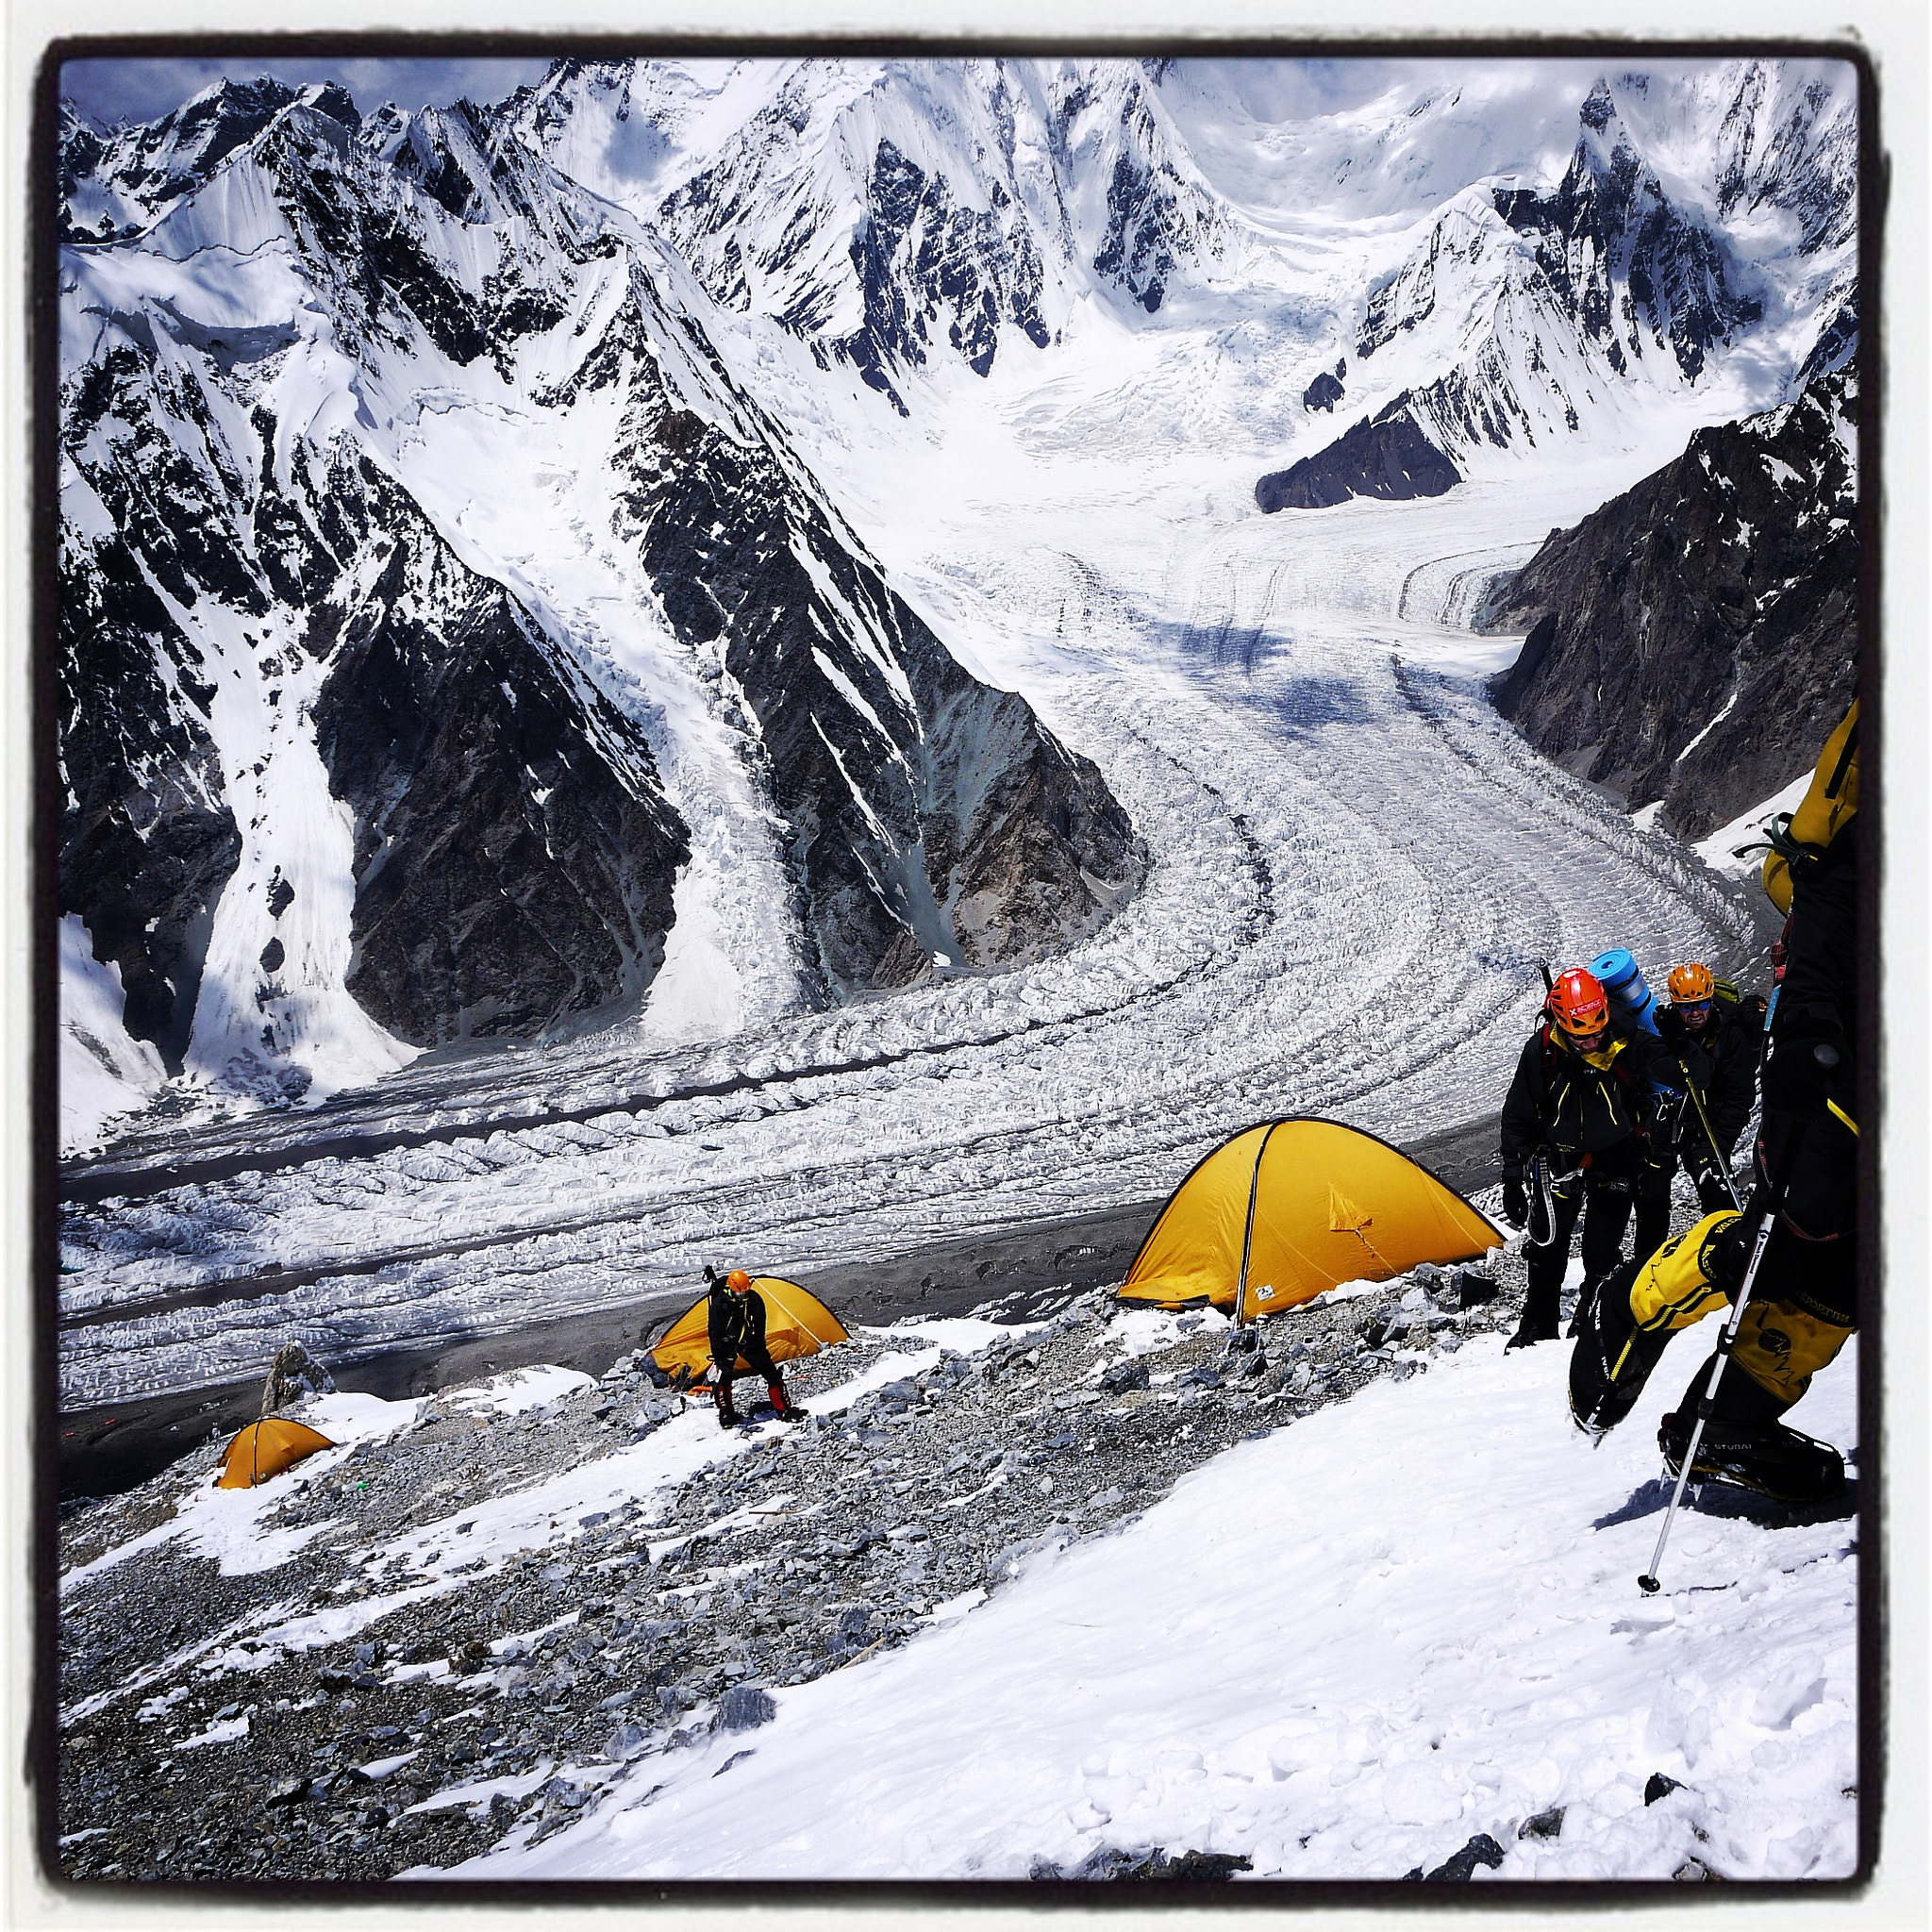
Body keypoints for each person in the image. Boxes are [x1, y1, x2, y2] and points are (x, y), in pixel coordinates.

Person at [1655, 705, 1857, 1500]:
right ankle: (1723, 1420)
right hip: (1838, 1077)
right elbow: (1832, 907)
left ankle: (1725, 1419)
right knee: (1823, 1252)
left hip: (1839, 1064)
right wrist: (1809, 1035)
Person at [1498, 965, 1674, 1349]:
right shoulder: (1544, 1051)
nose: (1592, 1041)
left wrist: (1680, 1042)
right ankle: (1538, 1324)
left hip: (1617, 1156)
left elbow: (1687, 1074)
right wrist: (1512, 1174)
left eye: (1597, 1032)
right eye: (1583, 1037)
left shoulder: (1628, 1041)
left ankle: (1592, 1315)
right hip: (1557, 1161)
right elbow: (1520, 1113)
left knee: (1601, 1247)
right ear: (1563, 1026)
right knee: (1547, 1249)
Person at [1629, 961, 1763, 1265]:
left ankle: (1735, 1261)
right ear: (1675, 1005)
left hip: (1712, 1125)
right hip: (1673, 1119)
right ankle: (1645, 1263)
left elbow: (1740, 1097)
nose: (1695, 1013)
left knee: (1716, 1188)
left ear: (1711, 998)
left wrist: (1718, 1142)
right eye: (1686, 1007)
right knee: (1652, 1194)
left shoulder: (1732, 1034)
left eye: (1702, 1004)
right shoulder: (1666, 1027)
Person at [707, 1267, 808, 1429]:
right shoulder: (720, 1304)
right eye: (740, 1293)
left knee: (771, 1373)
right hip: (727, 1344)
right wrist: (719, 1356)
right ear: (732, 1288)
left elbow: (759, 1324)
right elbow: (714, 1331)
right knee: (725, 1375)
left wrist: (760, 1345)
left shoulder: (754, 1299)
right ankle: (726, 1414)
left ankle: (785, 1410)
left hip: (749, 1341)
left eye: (746, 1292)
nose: (743, 1295)